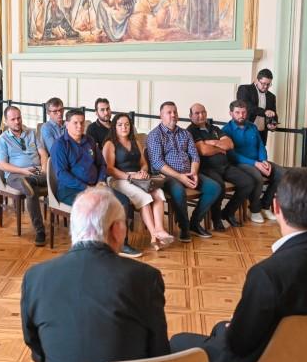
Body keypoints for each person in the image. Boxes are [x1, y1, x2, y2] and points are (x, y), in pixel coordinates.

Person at [169, 168, 307, 362]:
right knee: (220, 328)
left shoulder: (268, 274)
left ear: (276, 208)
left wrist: (227, 330)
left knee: (178, 341)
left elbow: (239, 345)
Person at [21, 187, 169, 362]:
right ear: (117, 230)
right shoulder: (145, 277)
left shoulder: (36, 276)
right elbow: (158, 352)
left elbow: (36, 347)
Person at [50, 109, 141, 258]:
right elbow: (62, 174)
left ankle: (122, 244)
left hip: (95, 187)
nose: (79, 126)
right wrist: (86, 188)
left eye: (82, 122)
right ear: (67, 124)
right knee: (96, 208)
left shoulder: (90, 141)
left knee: (123, 201)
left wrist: (99, 182)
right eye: (75, 123)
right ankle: (94, 247)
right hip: (70, 190)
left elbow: (102, 165)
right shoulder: (60, 145)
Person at [146, 101, 222, 242]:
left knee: (214, 188)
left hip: (189, 172)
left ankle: (194, 222)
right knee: (178, 191)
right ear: (161, 116)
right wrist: (180, 177)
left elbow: (194, 156)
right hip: (166, 175)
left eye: (175, 112)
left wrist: (193, 173)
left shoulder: (185, 133)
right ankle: (184, 227)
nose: (173, 115)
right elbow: (157, 163)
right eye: (169, 112)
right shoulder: (155, 135)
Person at [102, 113, 174, 249]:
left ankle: (159, 230)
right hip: (118, 179)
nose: (124, 127)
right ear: (114, 127)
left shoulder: (135, 142)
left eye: (127, 124)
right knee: (144, 197)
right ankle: (154, 235)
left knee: (158, 193)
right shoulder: (109, 144)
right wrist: (130, 176)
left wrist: (143, 171)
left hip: (138, 178)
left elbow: (144, 163)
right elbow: (109, 169)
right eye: (120, 125)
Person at [187, 103, 254, 229]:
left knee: (248, 182)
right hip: (207, 169)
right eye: (197, 113)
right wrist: (219, 148)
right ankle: (216, 218)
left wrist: (211, 142)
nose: (201, 115)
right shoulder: (191, 131)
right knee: (220, 187)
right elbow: (204, 151)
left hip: (225, 166)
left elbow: (229, 144)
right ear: (190, 116)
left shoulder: (214, 128)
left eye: (203, 112)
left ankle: (228, 213)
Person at [223, 100, 284, 224]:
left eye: (244, 112)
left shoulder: (252, 126)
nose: (241, 115)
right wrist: (255, 164)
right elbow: (232, 155)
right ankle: (255, 210)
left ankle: (265, 205)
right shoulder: (226, 130)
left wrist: (263, 160)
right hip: (240, 163)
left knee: (282, 173)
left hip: (258, 161)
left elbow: (260, 145)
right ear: (231, 113)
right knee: (257, 176)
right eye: (238, 112)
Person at [0, 106, 47, 246]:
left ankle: (34, 180)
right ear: (6, 121)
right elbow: (3, 166)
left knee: (58, 177)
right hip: (16, 175)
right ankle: (40, 231)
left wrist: (44, 168)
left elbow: (43, 153)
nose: (17, 121)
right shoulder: (2, 140)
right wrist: (24, 171)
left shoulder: (31, 133)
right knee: (30, 189)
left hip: (37, 171)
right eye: (13, 119)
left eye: (19, 118)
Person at [236, 69, 278, 144]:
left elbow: (273, 113)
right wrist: (265, 112)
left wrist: (273, 124)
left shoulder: (271, 96)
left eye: (268, 84)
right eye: (263, 83)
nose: (265, 87)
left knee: (262, 155)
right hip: (245, 131)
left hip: (261, 134)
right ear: (256, 80)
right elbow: (246, 106)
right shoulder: (244, 89)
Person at [39, 97, 66, 165]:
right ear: (48, 112)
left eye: (61, 110)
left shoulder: (68, 124)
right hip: (55, 162)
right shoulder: (46, 127)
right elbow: (54, 150)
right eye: (55, 111)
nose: (59, 113)